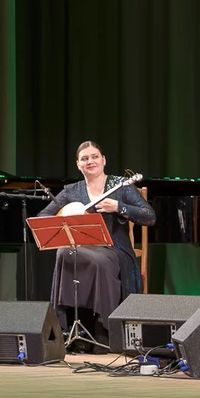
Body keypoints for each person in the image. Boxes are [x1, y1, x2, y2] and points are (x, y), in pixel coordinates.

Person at [37, 141, 154, 348]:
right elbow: (43, 217)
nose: (90, 161)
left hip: (115, 250)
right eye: (84, 159)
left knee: (99, 261)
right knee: (64, 252)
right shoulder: (71, 191)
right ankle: (69, 329)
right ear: (78, 164)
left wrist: (119, 207)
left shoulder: (121, 186)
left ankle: (103, 333)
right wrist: (66, 214)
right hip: (82, 248)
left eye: (94, 157)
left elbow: (149, 216)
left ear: (103, 160)